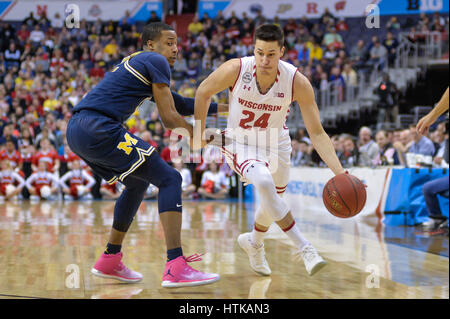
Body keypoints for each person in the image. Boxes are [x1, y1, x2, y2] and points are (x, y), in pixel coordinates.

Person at [66, 22, 222, 287]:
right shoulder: (154, 60)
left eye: (176, 43)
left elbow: (182, 104)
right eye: (169, 42)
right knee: (170, 179)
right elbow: (170, 119)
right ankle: (176, 266)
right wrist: (197, 134)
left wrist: (233, 108)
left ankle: (110, 258)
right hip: (99, 127)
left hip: (79, 130)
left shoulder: (142, 65)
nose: (175, 49)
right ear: (151, 44)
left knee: (137, 183)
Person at [194, 24, 347, 276]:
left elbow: (317, 132)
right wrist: (200, 131)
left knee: (271, 201)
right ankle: (305, 248)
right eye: (259, 52)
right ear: (253, 50)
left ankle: (253, 242)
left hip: (277, 143)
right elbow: (203, 91)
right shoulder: (236, 69)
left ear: (282, 52)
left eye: (271, 54)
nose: (264, 60)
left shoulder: (297, 82)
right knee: (264, 183)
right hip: (238, 142)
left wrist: (340, 172)